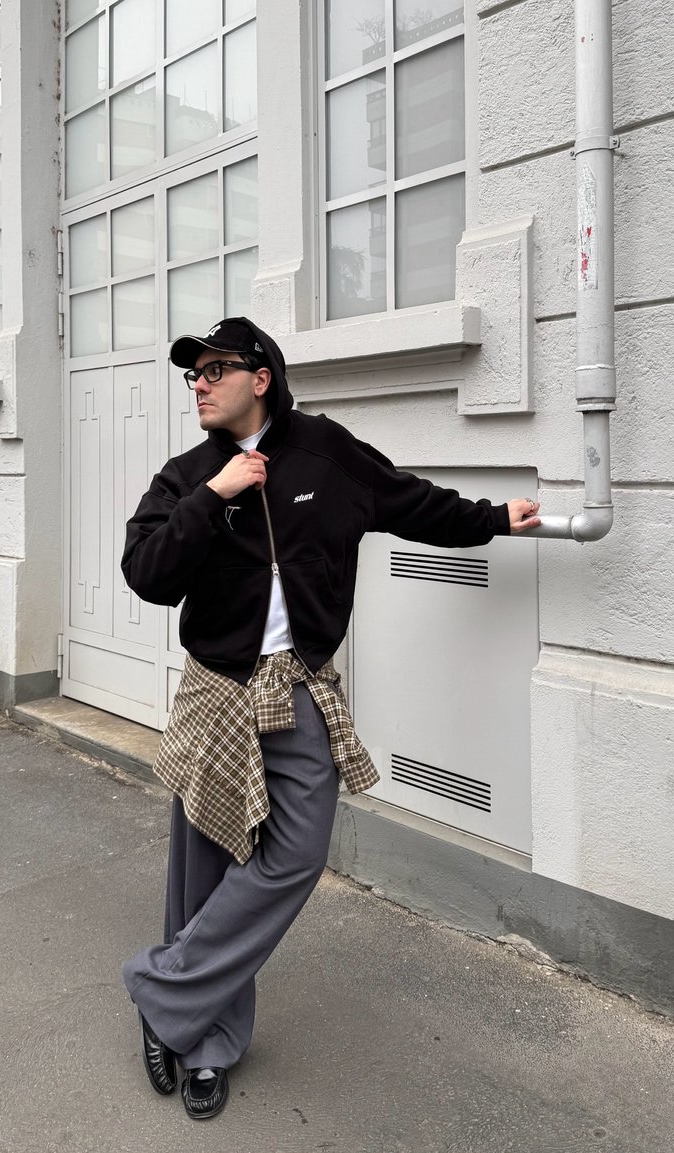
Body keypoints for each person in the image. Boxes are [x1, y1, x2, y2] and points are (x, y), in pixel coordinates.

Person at [120, 316, 540, 1120]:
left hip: (301, 688)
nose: (199, 384)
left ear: (261, 376)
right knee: (206, 866)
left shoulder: (325, 452)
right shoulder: (185, 476)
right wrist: (214, 497)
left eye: (214, 369)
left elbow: (411, 501)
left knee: (297, 853)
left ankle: (162, 988)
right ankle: (205, 1042)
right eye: (192, 374)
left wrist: (493, 517)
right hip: (218, 693)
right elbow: (146, 573)